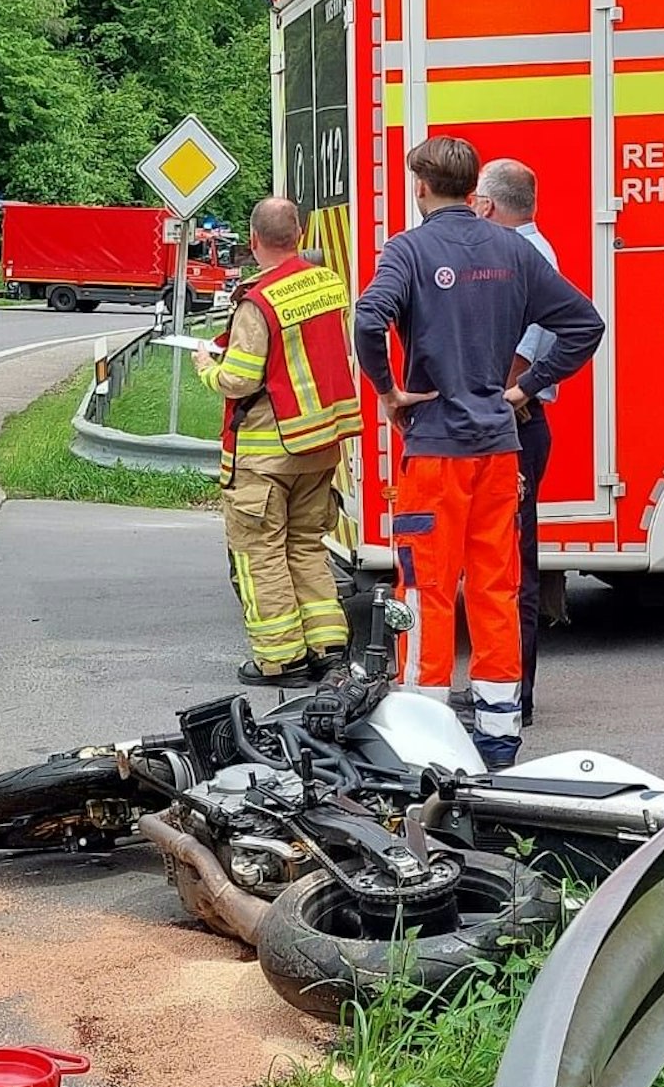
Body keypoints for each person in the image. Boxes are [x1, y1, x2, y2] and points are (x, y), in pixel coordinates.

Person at [351, 137, 603, 767]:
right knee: (496, 586)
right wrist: (523, 387)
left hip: (435, 449)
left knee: (426, 590)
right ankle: (497, 738)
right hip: (499, 448)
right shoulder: (514, 250)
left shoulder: (408, 250)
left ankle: (425, 740)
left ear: (420, 187)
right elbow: (585, 325)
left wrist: (390, 392)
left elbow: (368, 318)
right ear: (472, 190)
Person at [193, 196, 361, 687]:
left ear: (253, 241)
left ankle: (282, 660)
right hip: (320, 443)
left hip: (266, 454)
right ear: (301, 236)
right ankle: (328, 649)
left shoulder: (257, 300)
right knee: (307, 546)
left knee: (259, 553)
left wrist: (208, 369)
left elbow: (241, 379)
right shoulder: (328, 285)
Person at [474, 157, 558, 729]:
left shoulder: (527, 258)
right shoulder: (526, 252)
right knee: (502, 559)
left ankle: (515, 696)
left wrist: (499, 399)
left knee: (512, 563)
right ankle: (501, 687)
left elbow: (523, 357)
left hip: (518, 426)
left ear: (489, 206)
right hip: (519, 424)